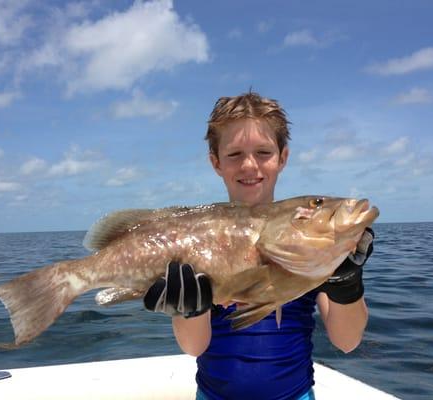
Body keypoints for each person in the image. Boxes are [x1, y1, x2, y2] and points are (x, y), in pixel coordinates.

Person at [143, 92, 374, 400]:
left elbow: (346, 341)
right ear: (216, 162)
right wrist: (190, 309)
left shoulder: (308, 244)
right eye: (235, 154)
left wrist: (347, 283)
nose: (250, 165)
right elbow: (193, 347)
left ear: (283, 157)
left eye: (263, 152)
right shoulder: (198, 242)